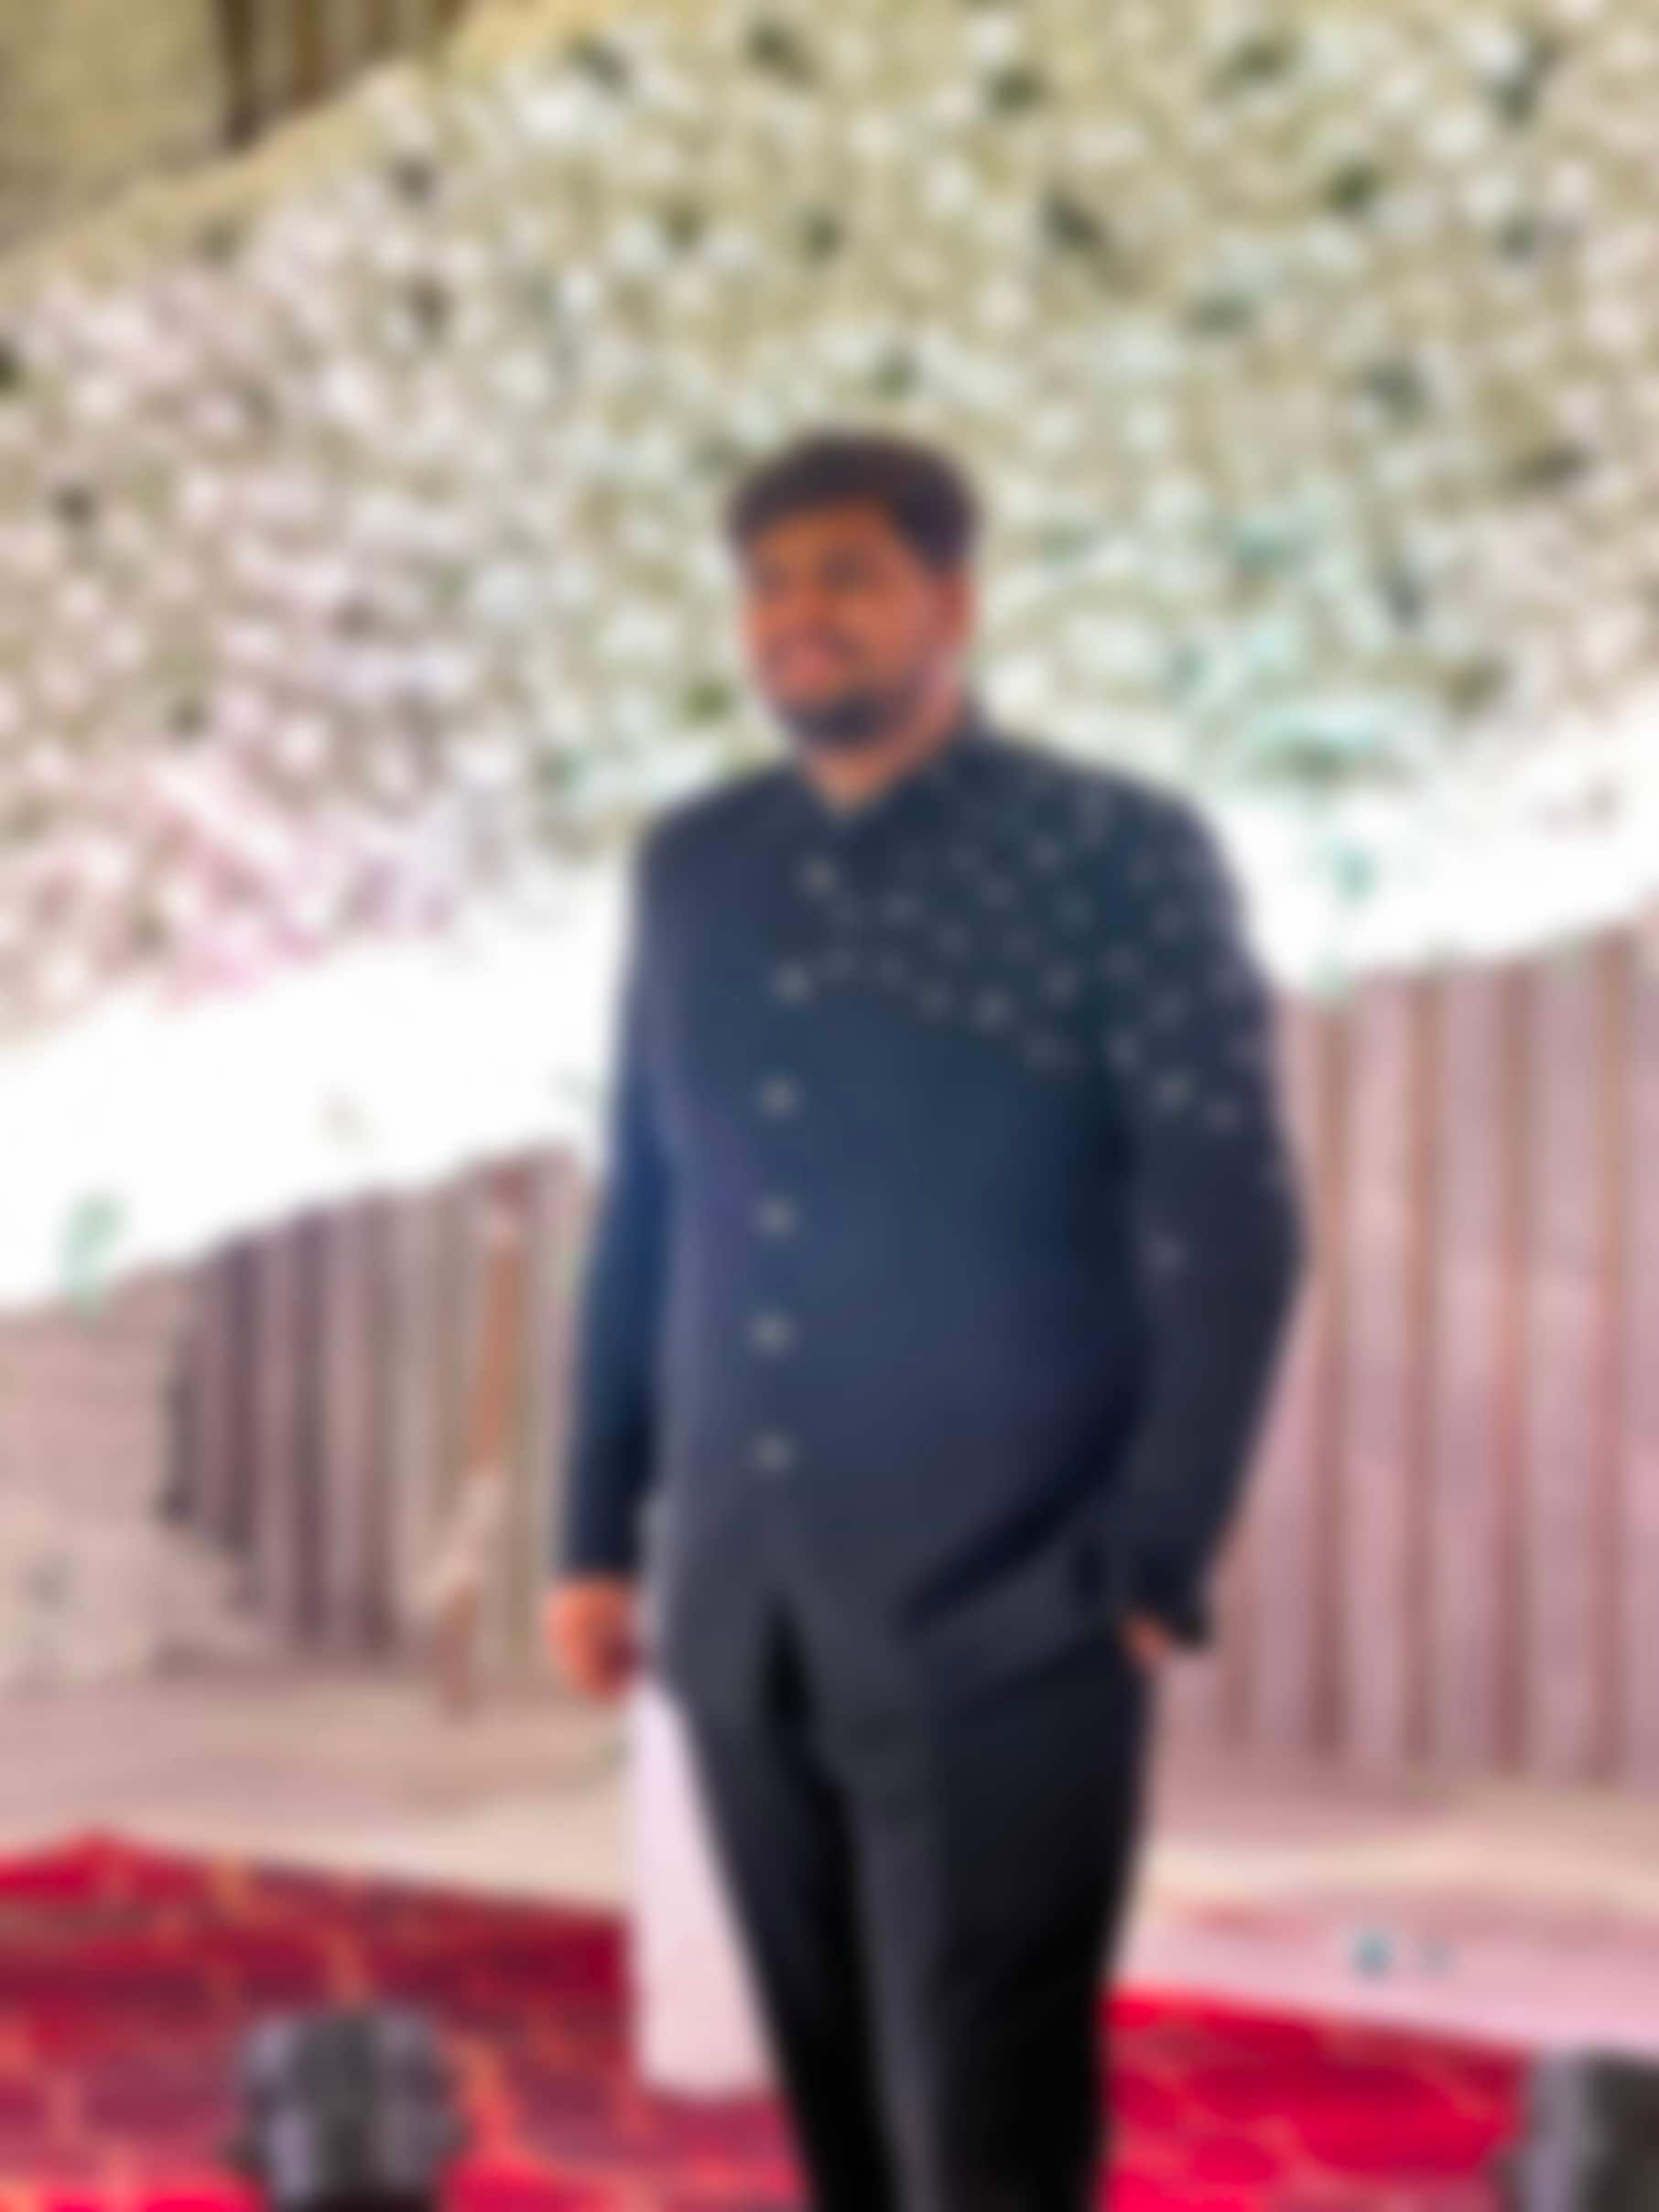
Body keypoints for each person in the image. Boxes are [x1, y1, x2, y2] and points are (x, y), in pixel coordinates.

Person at [546, 428, 1307, 2212]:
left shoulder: (1114, 851)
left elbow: (1234, 1226)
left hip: (1012, 1606)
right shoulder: (692, 863)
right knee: (840, 2114)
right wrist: (594, 1533)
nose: (797, 615)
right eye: (767, 583)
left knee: (989, 2131)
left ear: (950, 603)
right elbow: (648, 1203)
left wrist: (1148, 1561)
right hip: (741, 1606)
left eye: (848, 575)